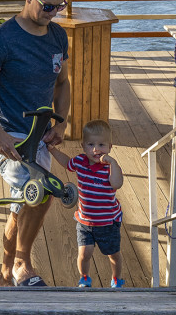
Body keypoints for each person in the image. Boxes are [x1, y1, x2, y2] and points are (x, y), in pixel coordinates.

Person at [0, 0, 71, 287]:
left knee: (25, 202)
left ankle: (6, 272)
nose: (54, 13)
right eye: (48, 6)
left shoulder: (58, 35)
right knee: (40, 191)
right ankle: (21, 264)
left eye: (60, 6)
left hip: (40, 139)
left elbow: (62, 83)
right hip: (7, 136)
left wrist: (63, 122)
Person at [47, 120, 126, 288]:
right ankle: (84, 278)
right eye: (91, 144)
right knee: (84, 253)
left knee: (113, 254)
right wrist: (53, 150)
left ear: (110, 147)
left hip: (108, 222)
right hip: (85, 221)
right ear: (83, 146)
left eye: (101, 145)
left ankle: (117, 278)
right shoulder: (80, 162)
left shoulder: (109, 168)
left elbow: (117, 184)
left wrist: (113, 163)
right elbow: (67, 163)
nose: (96, 149)